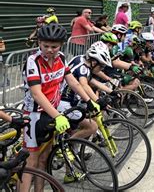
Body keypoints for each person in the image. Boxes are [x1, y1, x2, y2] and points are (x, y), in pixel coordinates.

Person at [20, 23, 100, 188]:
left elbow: (73, 82)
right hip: (33, 115)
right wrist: (57, 115)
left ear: (61, 45)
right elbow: (37, 93)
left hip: (51, 112)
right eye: (45, 46)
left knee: (44, 159)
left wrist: (88, 101)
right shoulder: (33, 61)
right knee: (31, 162)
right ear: (39, 43)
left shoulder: (61, 57)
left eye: (54, 46)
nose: (50, 50)